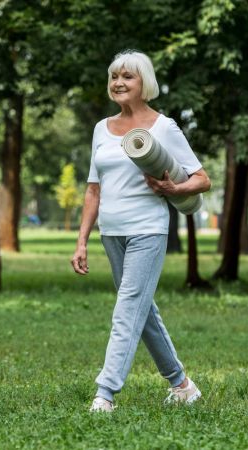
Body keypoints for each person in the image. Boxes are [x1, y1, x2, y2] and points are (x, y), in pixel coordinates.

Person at [71, 50, 212, 413]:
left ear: (144, 82)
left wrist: (175, 190)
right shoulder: (101, 129)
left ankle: (105, 394)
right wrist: (82, 240)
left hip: (147, 231)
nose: (119, 82)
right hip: (111, 233)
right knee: (141, 310)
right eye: (115, 76)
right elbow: (93, 188)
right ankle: (182, 386)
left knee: (127, 307)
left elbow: (202, 179)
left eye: (127, 76)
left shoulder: (163, 127)